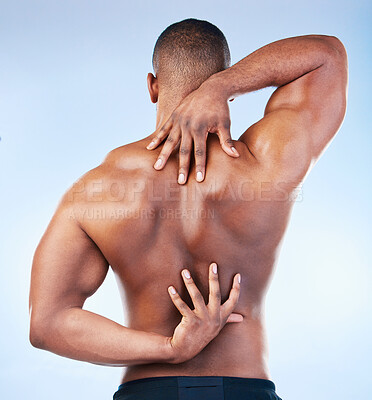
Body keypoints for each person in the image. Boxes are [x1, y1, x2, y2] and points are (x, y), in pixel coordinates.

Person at [28, 18, 348, 400]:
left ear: (152, 86)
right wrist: (222, 85)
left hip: (148, 391)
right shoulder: (267, 163)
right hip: (245, 388)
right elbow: (327, 54)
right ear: (231, 82)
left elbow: (48, 324)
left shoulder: (94, 190)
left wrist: (169, 350)